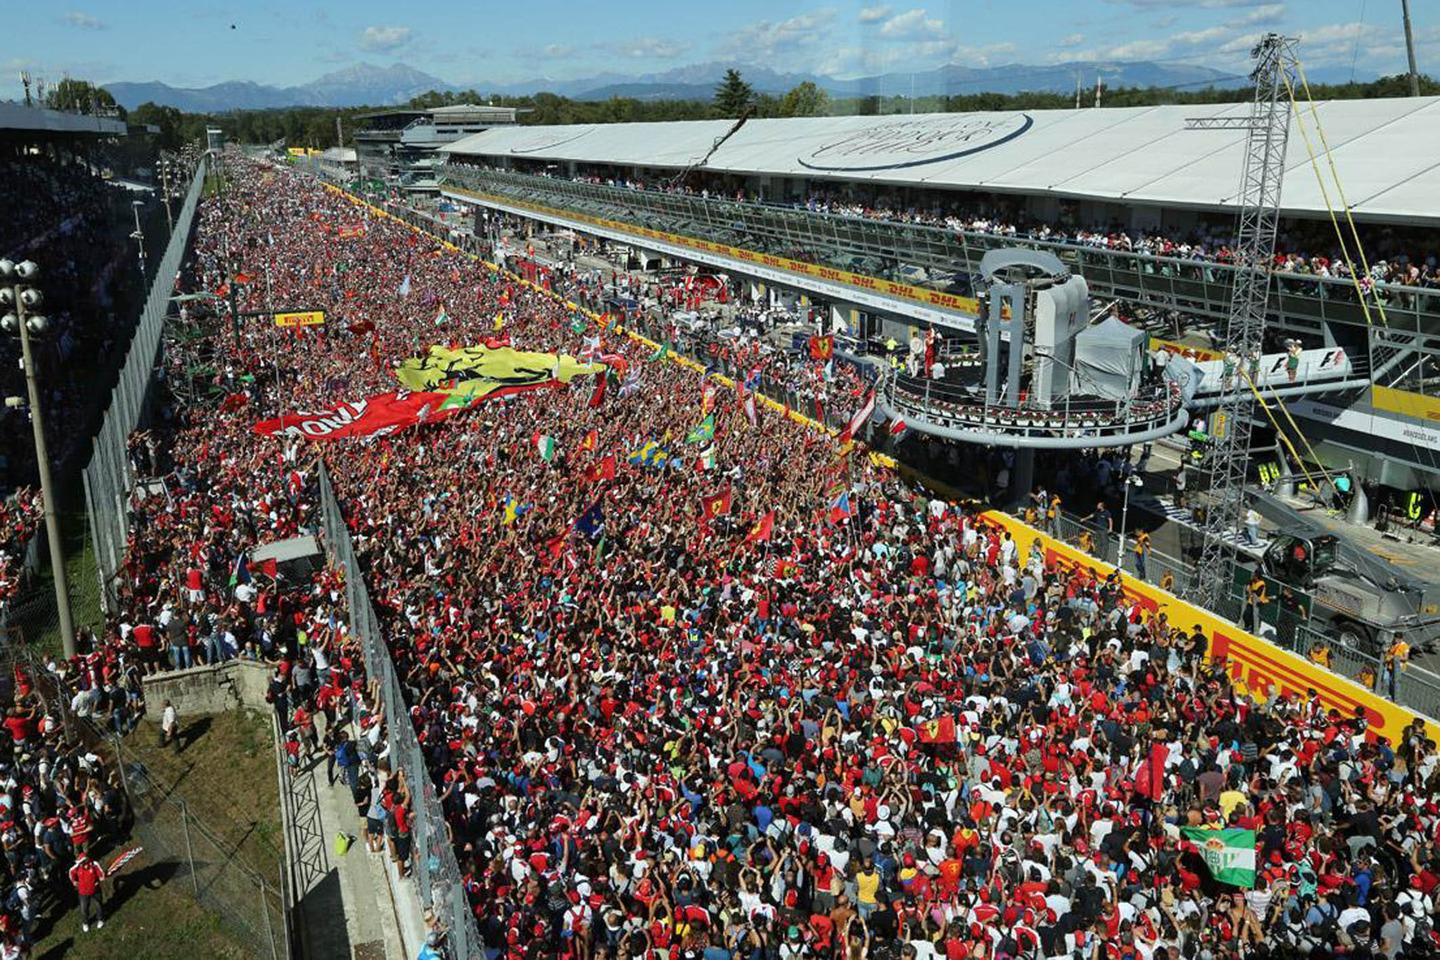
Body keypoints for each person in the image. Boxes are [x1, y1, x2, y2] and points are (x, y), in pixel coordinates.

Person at [68, 851, 106, 932]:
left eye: (81, 862)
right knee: (84, 909)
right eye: (79, 863)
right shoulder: (77, 867)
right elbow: (71, 872)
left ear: (86, 860)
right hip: (83, 892)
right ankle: (85, 923)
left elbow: (101, 873)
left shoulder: (94, 864)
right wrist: (74, 881)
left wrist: (101, 877)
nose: (80, 864)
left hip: (95, 891)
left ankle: (100, 919)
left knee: (99, 905)